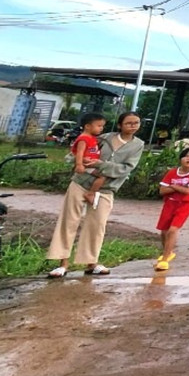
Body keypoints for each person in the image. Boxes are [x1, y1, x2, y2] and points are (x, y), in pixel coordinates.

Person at [46, 111, 147, 277]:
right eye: (129, 123)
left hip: (106, 188)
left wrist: (101, 165)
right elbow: (79, 149)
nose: (133, 126)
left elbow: (126, 168)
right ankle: (63, 264)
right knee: (69, 220)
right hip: (81, 182)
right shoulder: (104, 137)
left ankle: (91, 263)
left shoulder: (138, 145)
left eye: (136, 122)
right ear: (120, 125)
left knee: (97, 225)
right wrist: (78, 162)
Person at [155, 146, 189, 271]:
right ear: (180, 159)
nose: (188, 159)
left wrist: (173, 186)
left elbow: (188, 191)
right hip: (169, 204)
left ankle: (165, 260)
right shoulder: (172, 172)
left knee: (172, 230)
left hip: (184, 205)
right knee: (164, 232)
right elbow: (162, 190)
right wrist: (178, 188)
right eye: (186, 156)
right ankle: (168, 252)